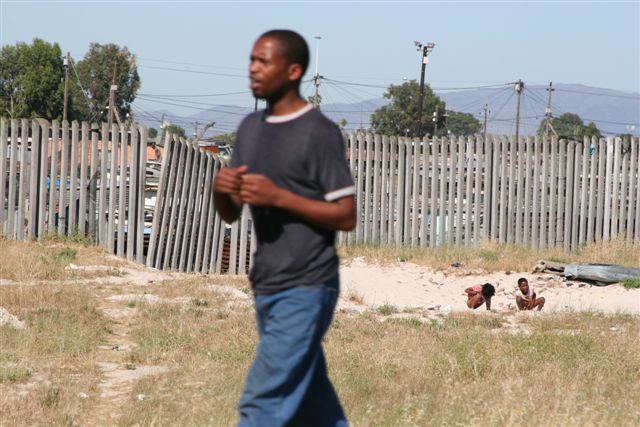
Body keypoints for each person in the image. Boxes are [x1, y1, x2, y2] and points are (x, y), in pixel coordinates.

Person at [213, 29, 355, 427]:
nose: (253, 68)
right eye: (252, 59)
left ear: (293, 71)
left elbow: (346, 214)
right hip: (267, 282)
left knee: (262, 402)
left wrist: (280, 198)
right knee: (314, 405)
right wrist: (221, 190)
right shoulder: (250, 128)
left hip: (308, 285)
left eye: (263, 61)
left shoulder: (318, 132)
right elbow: (230, 213)